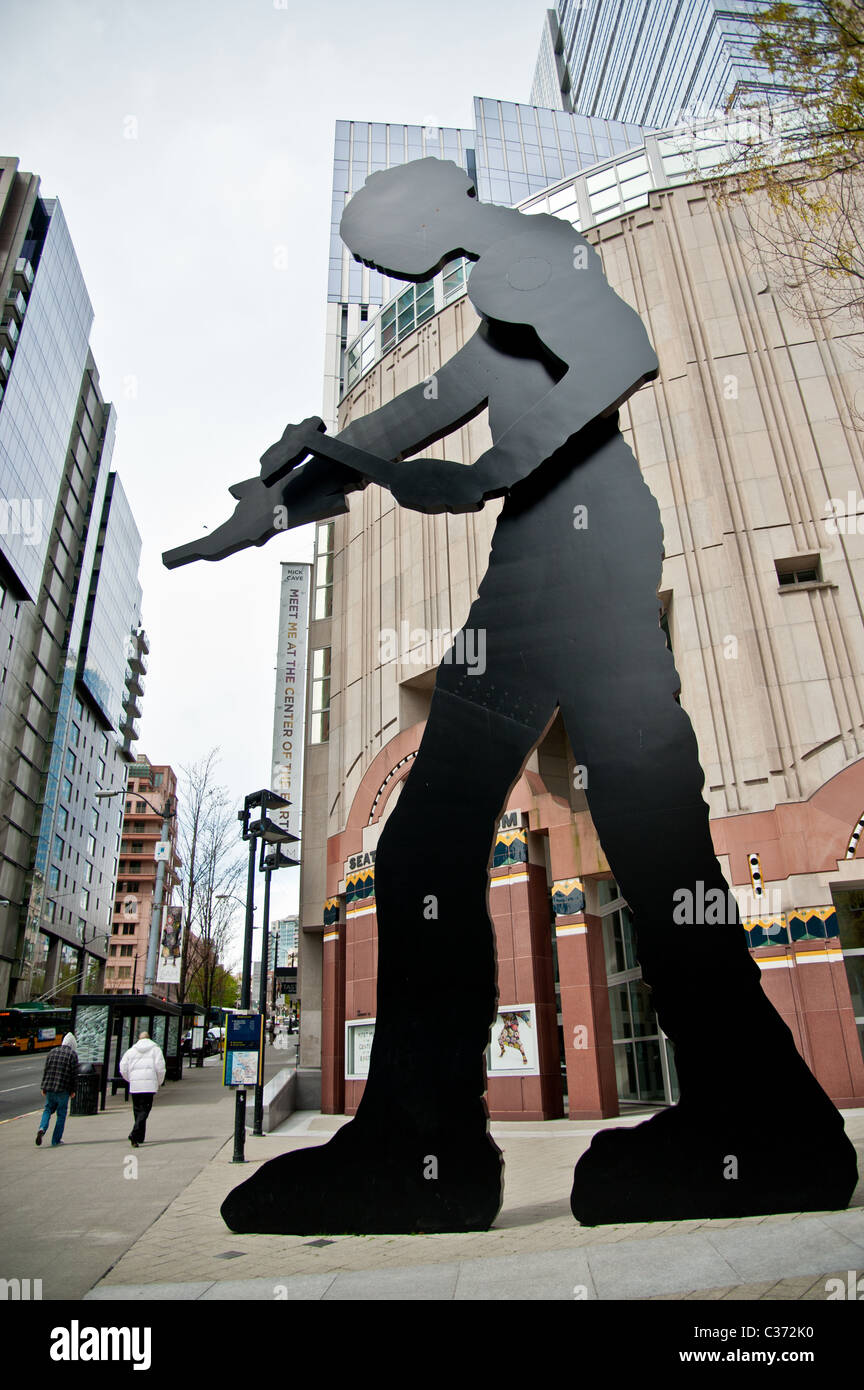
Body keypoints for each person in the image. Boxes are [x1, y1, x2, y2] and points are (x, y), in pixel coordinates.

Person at [166, 158, 858, 1233]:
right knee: (482, 841)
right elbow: (418, 412)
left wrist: (492, 472)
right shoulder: (501, 288)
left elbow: (622, 353)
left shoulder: (533, 251)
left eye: (372, 237)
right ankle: (441, 1139)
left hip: (574, 545)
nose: (374, 258)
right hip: (544, 552)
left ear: (417, 217)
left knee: (622, 828)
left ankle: (459, 1139)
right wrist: (279, 500)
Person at [119, 1031, 166, 1147]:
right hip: (149, 1085)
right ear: (149, 1038)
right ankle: (135, 1134)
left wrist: (130, 1079)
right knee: (145, 1109)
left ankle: (139, 1137)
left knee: (137, 1110)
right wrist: (158, 1082)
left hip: (135, 1085)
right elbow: (160, 1068)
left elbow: (123, 1067)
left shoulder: (131, 1051)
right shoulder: (156, 1050)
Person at [36, 1032, 78, 1148]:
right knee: (61, 1114)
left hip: (49, 1087)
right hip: (63, 1089)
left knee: (48, 1109)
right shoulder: (72, 1055)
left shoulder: (52, 1052)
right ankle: (56, 1140)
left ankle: (42, 1128)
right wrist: (73, 1090)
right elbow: (73, 1075)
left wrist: (43, 1087)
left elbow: (46, 1070)